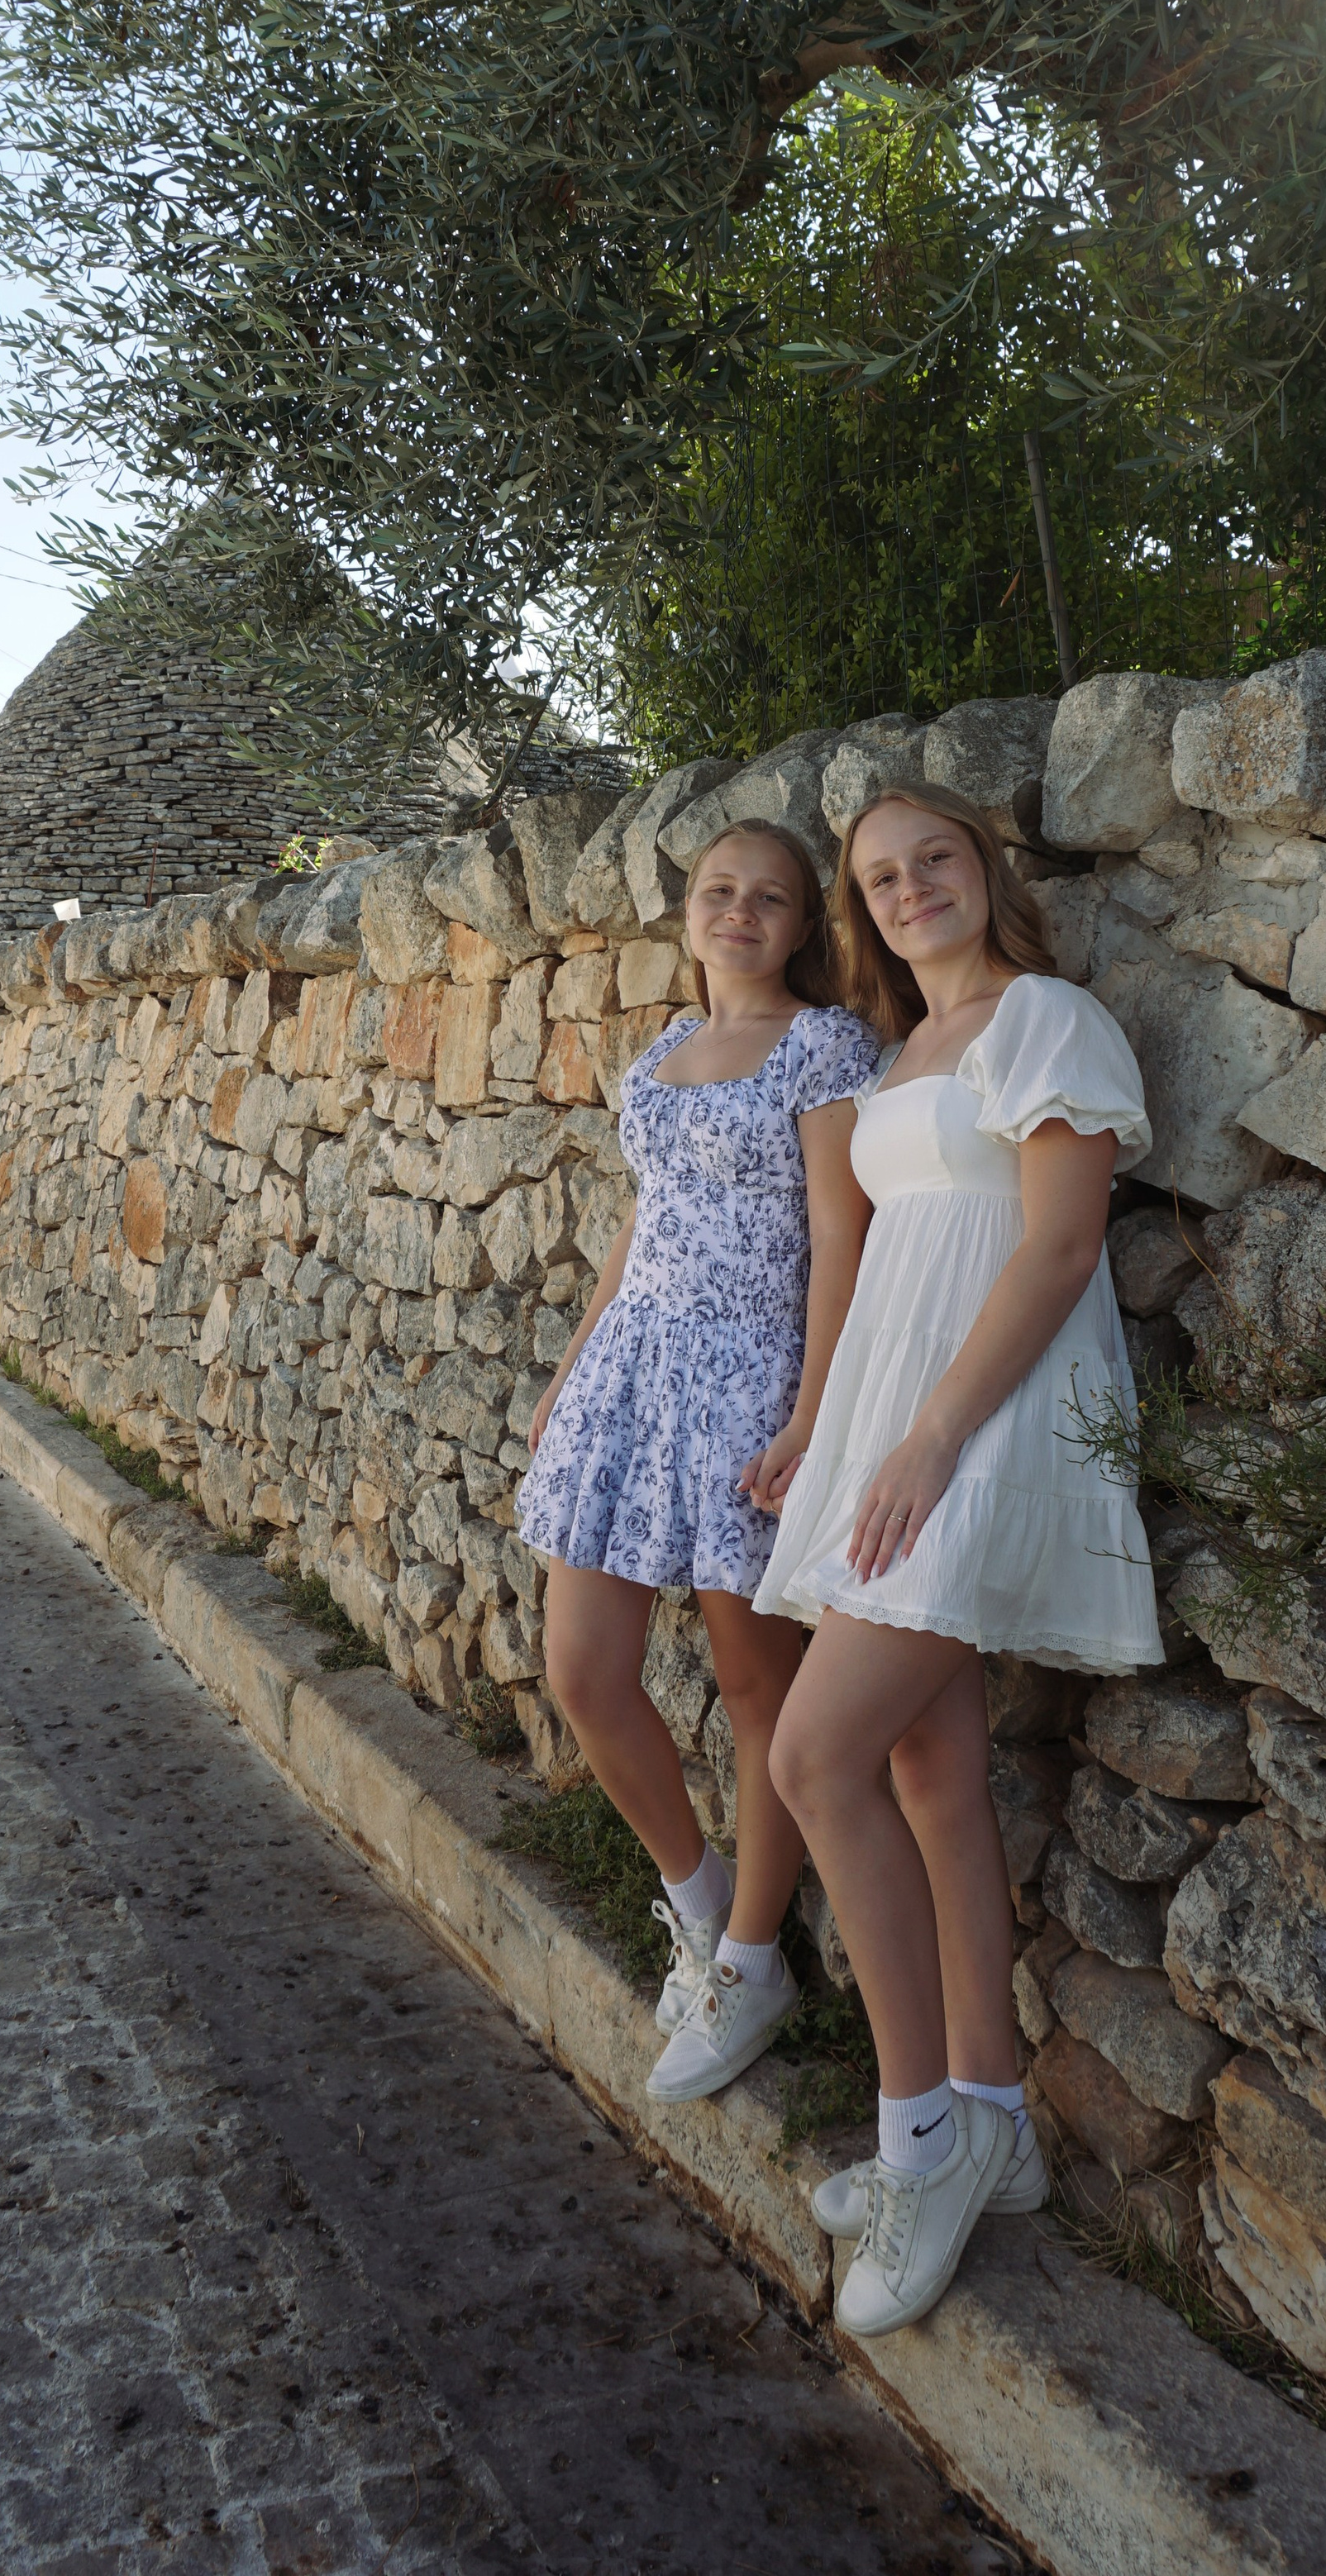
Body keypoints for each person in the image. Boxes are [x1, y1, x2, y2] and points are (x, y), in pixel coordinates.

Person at [758, 784, 1159, 2335]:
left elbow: (1059, 1248)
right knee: (929, 1776)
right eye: (881, 876)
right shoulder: (897, 1054)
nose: (913, 887)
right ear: (862, 909)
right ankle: (988, 2121)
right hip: (894, 1423)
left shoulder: (1041, 1016)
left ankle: (917, 2132)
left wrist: (928, 1441)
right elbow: (882, 1256)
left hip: (989, 1424)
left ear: (985, 871)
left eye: (936, 859)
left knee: (814, 1758)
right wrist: (837, 1430)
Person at [518, 821, 880, 2102]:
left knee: (754, 1683)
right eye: (719, 892)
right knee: (581, 1666)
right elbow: (643, 1224)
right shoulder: (664, 1051)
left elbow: (842, 1239)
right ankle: (694, 1892)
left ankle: (749, 1960)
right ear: (688, 912)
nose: (739, 912)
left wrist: (813, 1416)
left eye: (768, 899)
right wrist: (574, 1372)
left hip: (750, 1385)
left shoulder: (823, 1048)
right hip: (633, 1375)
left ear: (800, 926)